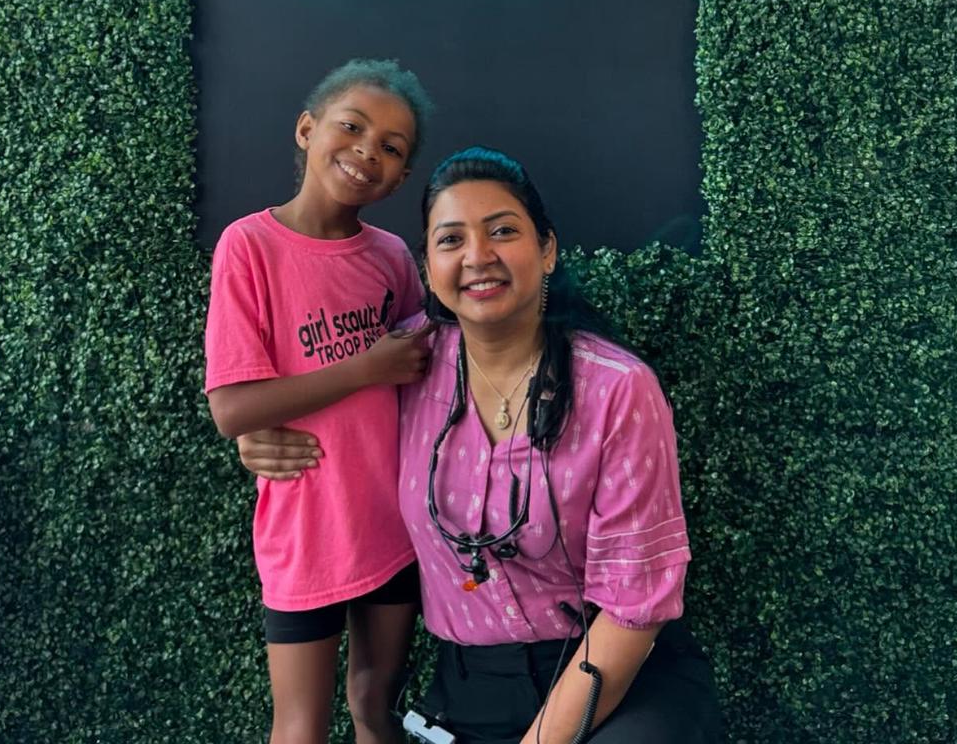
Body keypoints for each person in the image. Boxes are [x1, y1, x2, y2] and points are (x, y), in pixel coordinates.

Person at [240, 148, 721, 744]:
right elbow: (331, 425)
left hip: (613, 682)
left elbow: (632, 611)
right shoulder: (402, 365)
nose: (477, 256)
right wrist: (261, 436)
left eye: (502, 231)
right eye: (451, 240)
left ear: (547, 249)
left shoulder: (616, 389)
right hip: (470, 690)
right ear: (427, 268)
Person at [204, 59, 437, 744]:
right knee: (300, 725)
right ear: (307, 129)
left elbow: (419, 373)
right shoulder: (249, 246)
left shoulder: (392, 258)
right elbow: (232, 409)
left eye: (391, 147)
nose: (367, 151)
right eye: (352, 127)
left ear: (401, 177)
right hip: (306, 533)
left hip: (392, 528)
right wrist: (364, 369)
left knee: (375, 707)